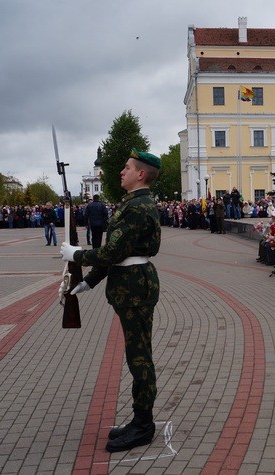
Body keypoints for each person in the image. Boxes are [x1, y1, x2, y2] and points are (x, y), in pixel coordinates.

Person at [60, 148, 162, 453]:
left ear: (141, 174)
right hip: (129, 285)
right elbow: (117, 253)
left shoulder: (138, 207)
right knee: (136, 355)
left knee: (139, 356)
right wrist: (89, 281)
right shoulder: (132, 203)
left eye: (127, 167)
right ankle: (139, 420)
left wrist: (77, 255)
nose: (121, 171)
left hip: (135, 288)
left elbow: (112, 253)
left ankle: (143, 425)